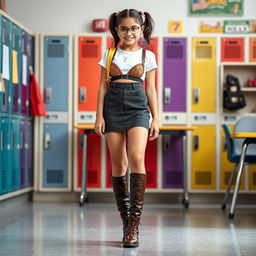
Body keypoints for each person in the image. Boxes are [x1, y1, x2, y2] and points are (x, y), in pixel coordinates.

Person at [94, 8, 159, 248]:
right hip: (112, 108)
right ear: (116, 30)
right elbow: (101, 87)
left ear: (141, 29)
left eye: (134, 28)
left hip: (138, 109)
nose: (129, 32)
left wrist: (156, 118)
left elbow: (151, 89)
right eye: (124, 28)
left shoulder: (148, 56)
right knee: (118, 164)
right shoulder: (109, 54)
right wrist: (98, 116)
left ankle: (134, 224)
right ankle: (125, 220)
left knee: (136, 158)